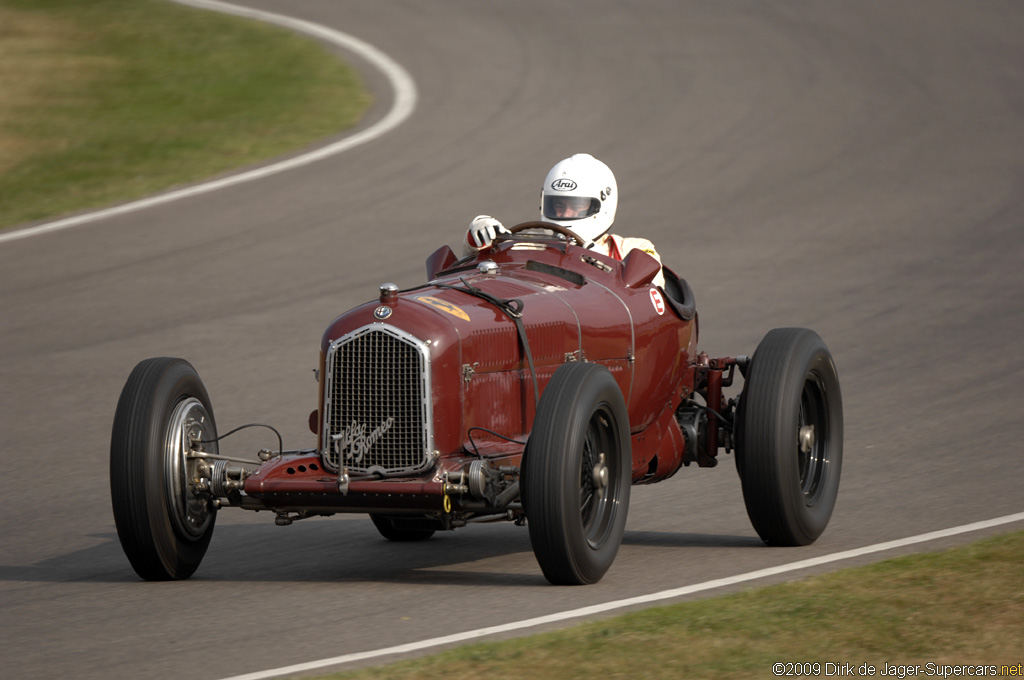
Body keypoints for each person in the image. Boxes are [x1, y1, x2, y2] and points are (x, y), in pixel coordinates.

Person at [462, 153, 664, 286]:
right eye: (558, 205)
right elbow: (488, 266)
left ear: (602, 204)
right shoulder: (535, 246)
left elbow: (652, 292)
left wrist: (604, 262)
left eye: (575, 207)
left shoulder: (633, 249)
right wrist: (477, 240)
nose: (565, 213)